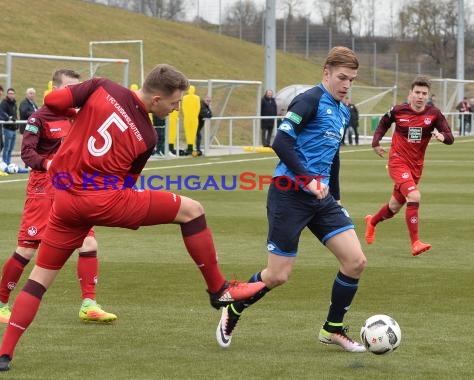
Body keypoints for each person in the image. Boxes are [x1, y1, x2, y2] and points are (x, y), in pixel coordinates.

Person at [0, 64, 265, 371]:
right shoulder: (146, 136)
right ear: (155, 99)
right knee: (192, 210)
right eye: (174, 103)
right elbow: (127, 184)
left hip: (64, 202)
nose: (176, 108)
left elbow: (54, 102)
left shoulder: (101, 86)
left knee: (39, 280)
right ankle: (217, 290)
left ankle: (3, 355)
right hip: (104, 200)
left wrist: (81, 113)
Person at [215, 47, 367, 353]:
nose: (346, 84)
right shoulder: (309, 101)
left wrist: (334, 197)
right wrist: (307, 180)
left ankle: (332, 328)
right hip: (289, 195)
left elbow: (332, 156)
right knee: (278, 275)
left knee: (355, 262)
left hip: (321, 199)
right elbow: (280, 141)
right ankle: (234, 307)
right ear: (326, 73)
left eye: (351, 79)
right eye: (341, 77)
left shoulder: (343, 110)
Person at [0, 69, 116, 325]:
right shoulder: (39, 117)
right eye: (70, 89)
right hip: (43, 187)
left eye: (77, 89)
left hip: (72, 186)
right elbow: (27, 154)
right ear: (56, 89)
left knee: (88, 242)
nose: (75, 94)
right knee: (26, 248)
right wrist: (49, 165)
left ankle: (88, 304)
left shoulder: (76, 115)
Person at [364, 76, 454, 256]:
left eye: (424, 93)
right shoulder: (398, 110)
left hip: (416, 167)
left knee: (393, 208)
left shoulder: (434, 114)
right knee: (414, 196)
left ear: (428, 96)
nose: (420, 96)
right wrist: (376, 142)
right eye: (417, 92)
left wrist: (443, 137)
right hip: (397, 161)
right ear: (410, 94)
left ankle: (372, 221)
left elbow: (450, 136)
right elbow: (384, 123)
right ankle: (415, 243)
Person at [0, 88, 18, 165]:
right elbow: (2, 113)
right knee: (7, 148)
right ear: (7, 94)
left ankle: (9, 163)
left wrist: (16, 123)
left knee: (11, 148)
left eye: (12, 93)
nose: (11, 95)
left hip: (13, 129)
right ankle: (5, 164)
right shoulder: (4, 103)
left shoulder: (14, 104)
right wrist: (9, 118)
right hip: (7, 128)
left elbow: (15, 115)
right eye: (9, 93)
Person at [181, 85, 200, 156]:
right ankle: (192, 147)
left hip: (187, 118)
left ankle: (190, 147)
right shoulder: (197, 98)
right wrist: (195, 115)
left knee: (188, 133)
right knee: (193, 133)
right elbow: (198, 108)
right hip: (194, 118)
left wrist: (186, 115)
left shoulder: (185, 98)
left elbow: (183, 107)